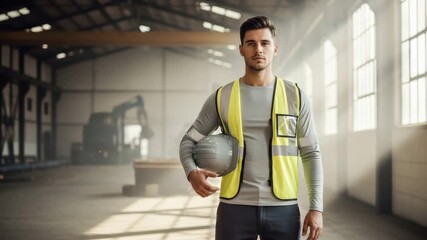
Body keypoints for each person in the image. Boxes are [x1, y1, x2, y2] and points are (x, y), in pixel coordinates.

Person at [179, 16, 323, 240]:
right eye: (251, 43)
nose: (258, 49)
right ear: (241, 50)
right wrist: (191, 172)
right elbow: (188, 141)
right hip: (234, 209)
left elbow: (311, 153)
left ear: (275, 49)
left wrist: (316, 207)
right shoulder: (222, 96)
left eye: (264, 43)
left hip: (283, 210)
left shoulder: (295, 96)